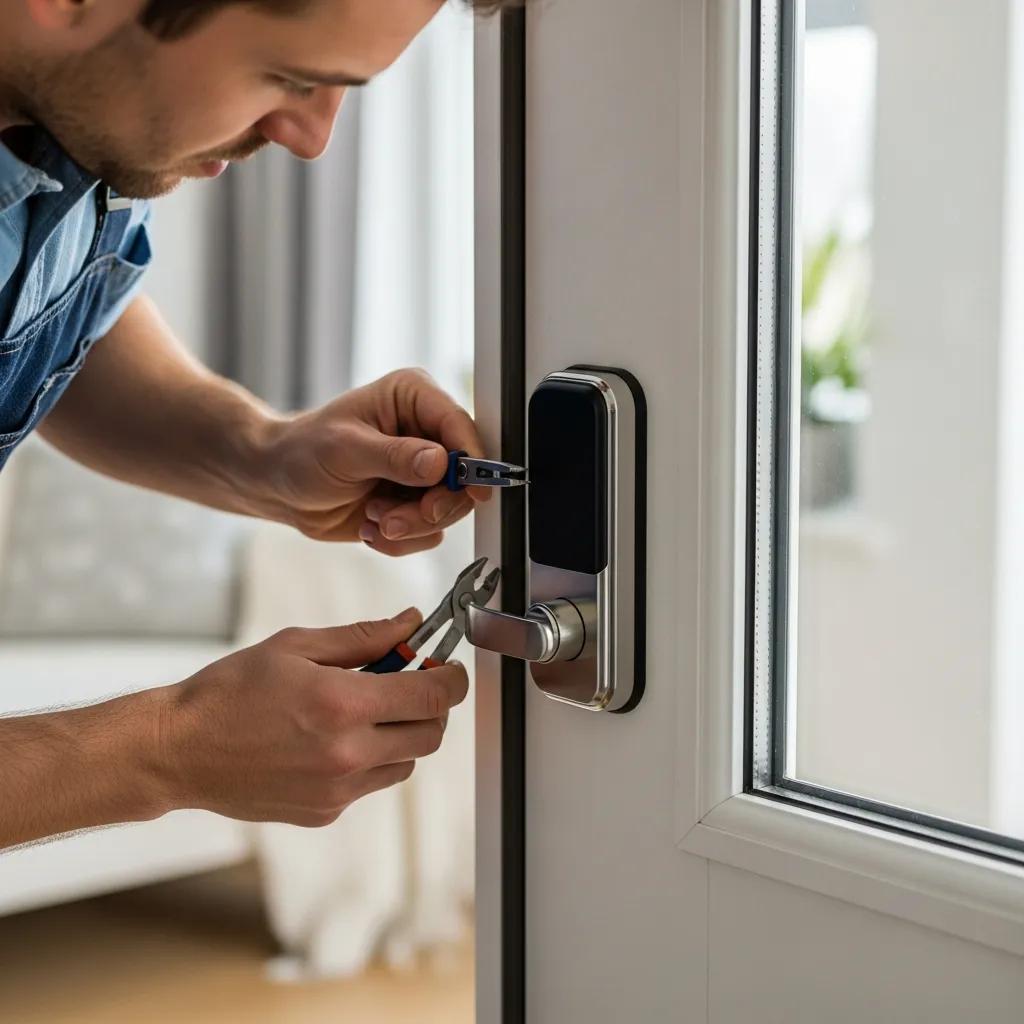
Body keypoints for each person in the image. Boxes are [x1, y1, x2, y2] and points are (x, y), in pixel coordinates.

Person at [0, 0, 514, 851]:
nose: (312, 138)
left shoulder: (87, 112)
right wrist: (169, 748)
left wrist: (262, 452)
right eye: (290, 77)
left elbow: (60, 311)